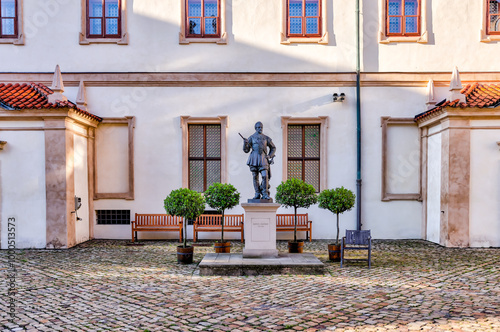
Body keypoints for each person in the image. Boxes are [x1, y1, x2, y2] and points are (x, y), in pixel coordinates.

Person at [242, 122, 276, 200]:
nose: (260, 129)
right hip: (254, 158)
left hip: (263, 159)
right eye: (258, 127)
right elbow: (246, 150)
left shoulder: (266, 138)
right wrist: (245, 143)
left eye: (261, 127)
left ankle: (265, 193)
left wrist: (269, 156)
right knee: (255, 177)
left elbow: (273, 148)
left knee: (265, 176)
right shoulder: (252, 137)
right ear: (255, 128)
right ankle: (257, 193)